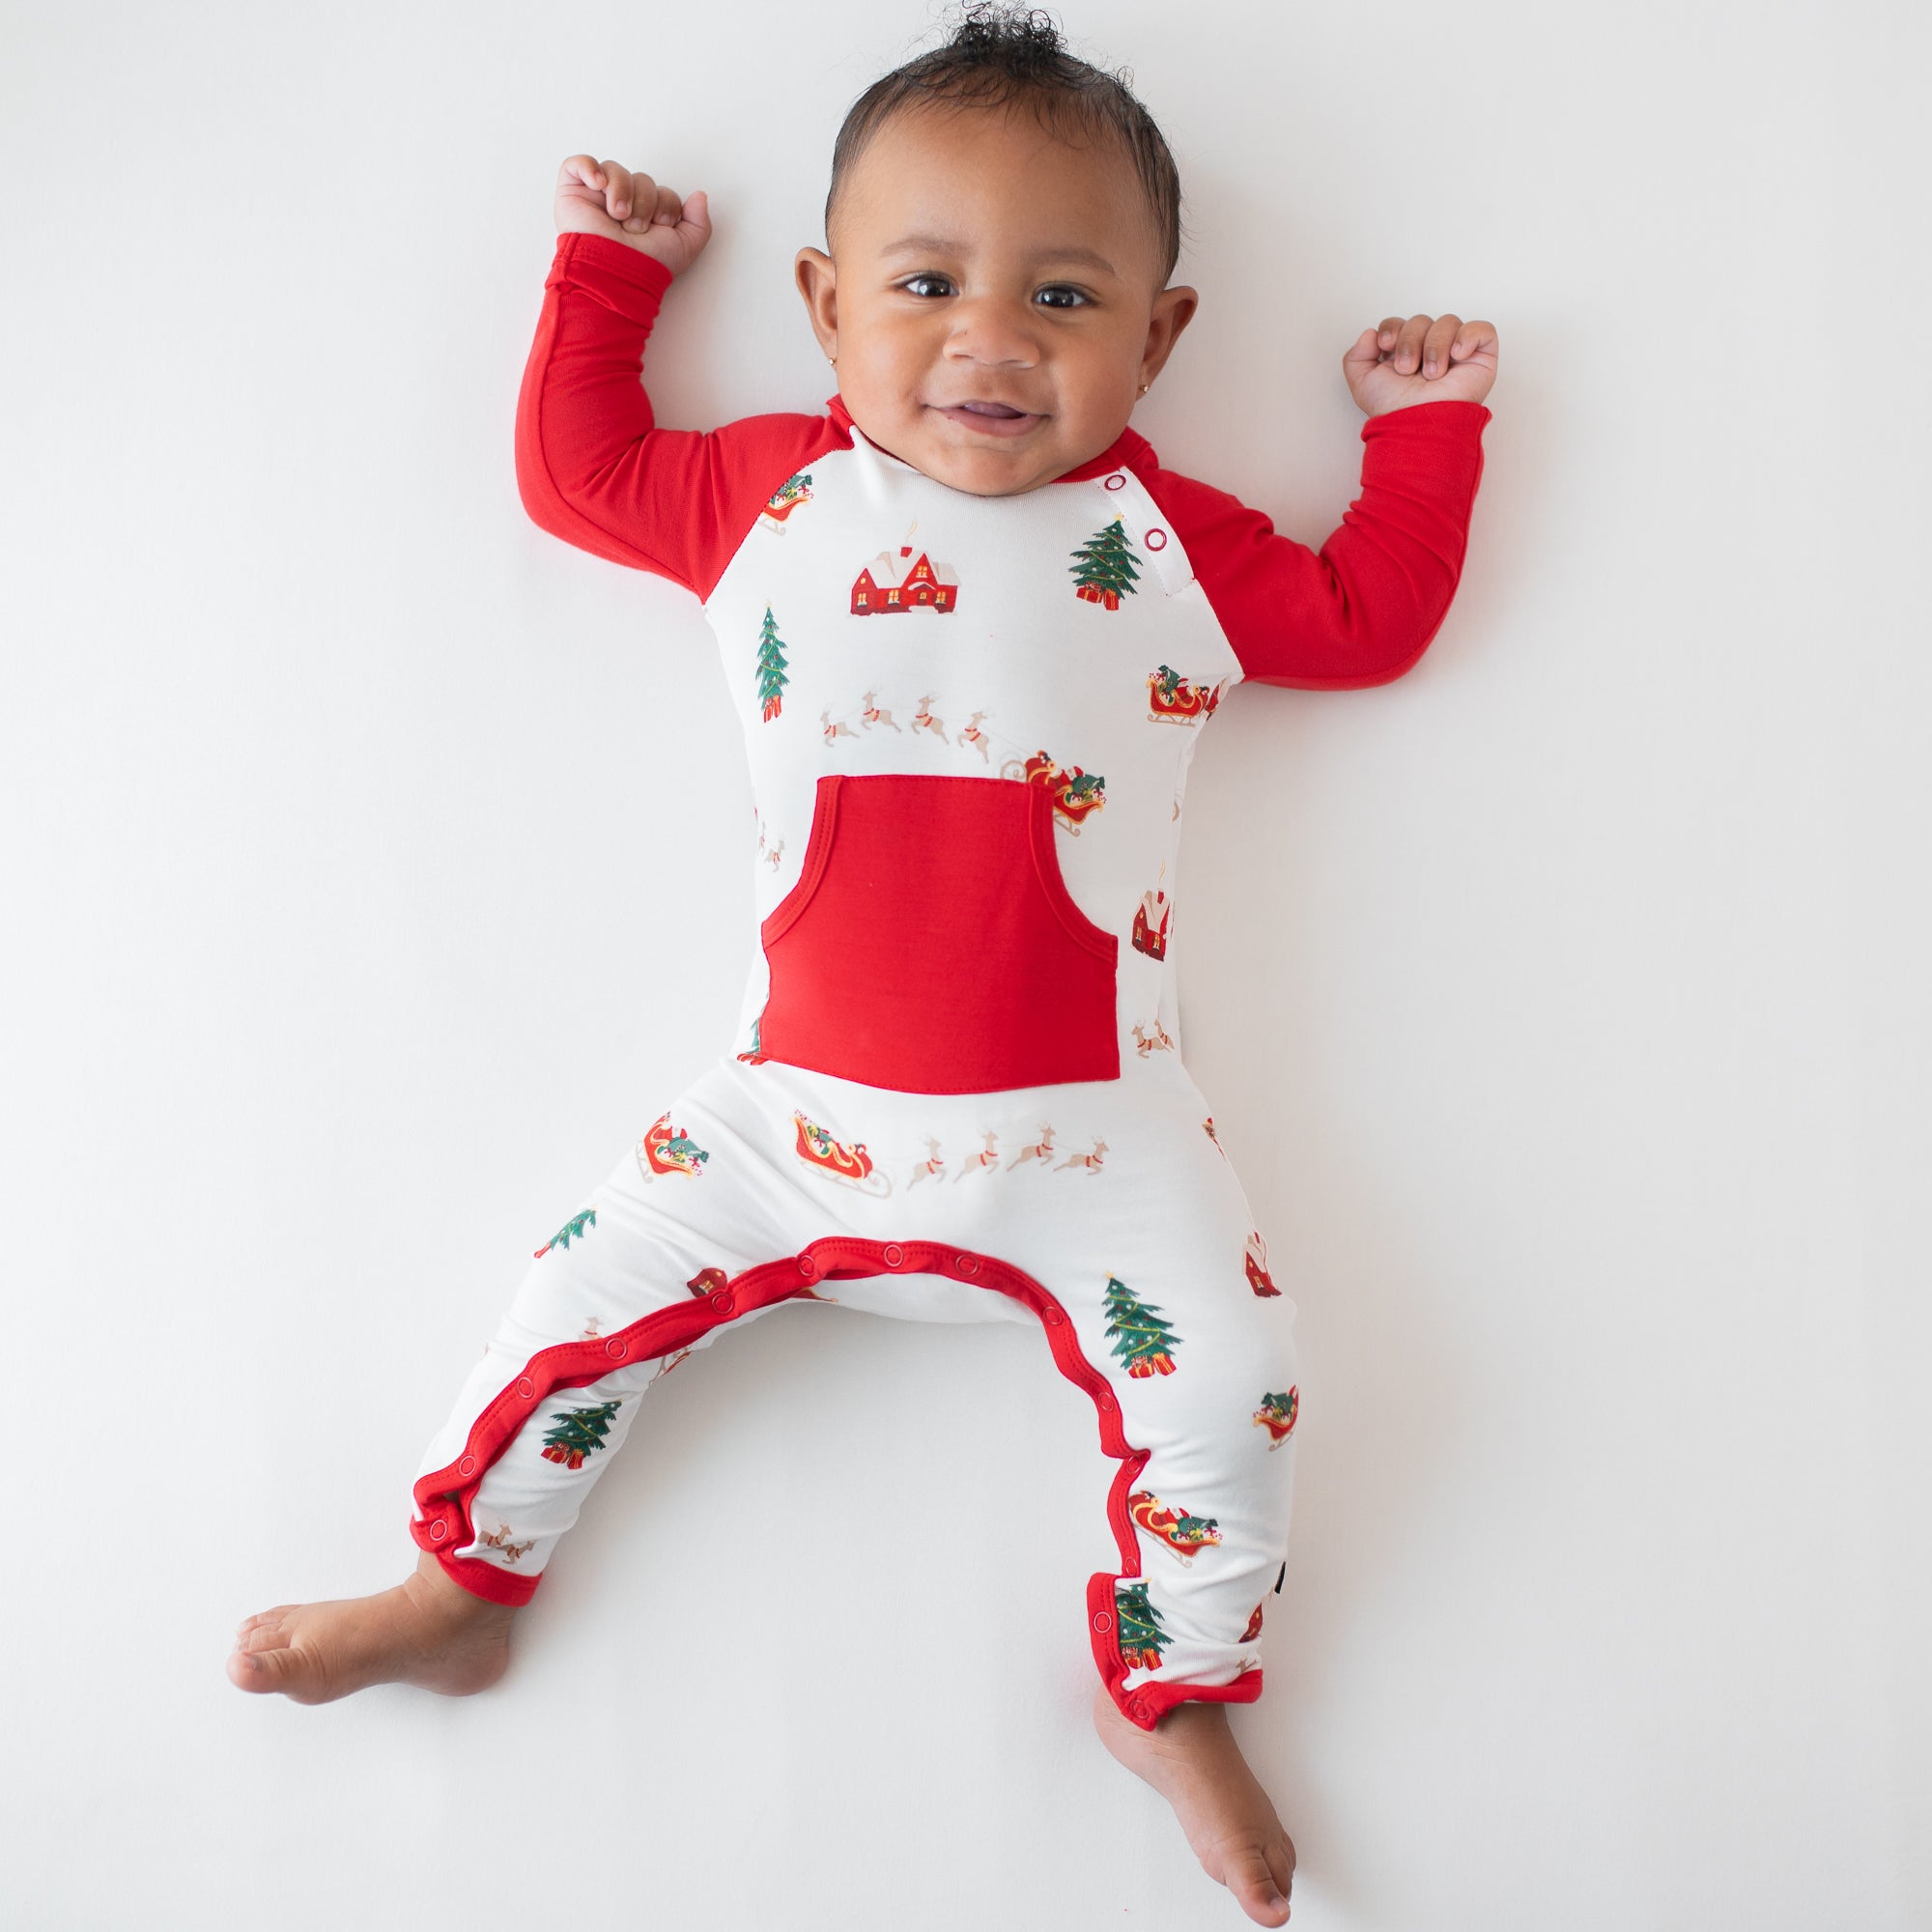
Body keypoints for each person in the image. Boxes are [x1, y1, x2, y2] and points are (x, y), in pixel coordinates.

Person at [226, 8, 1496, 1923]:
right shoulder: (769, 498)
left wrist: (1425, 435)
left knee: (1233, 1375)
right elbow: (579, 474)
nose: (989, 337)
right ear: (825, 308)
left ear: (1158, 341)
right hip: (783, 1122)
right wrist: (606, 279)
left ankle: (1174, 1687)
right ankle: (463, 1586)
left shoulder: (1172, 544)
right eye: (925, 283)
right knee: (570, 1293)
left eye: (1062, 294)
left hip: (1101, 1142)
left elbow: (1367, 614)